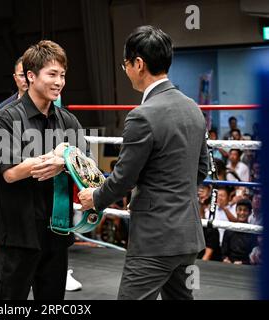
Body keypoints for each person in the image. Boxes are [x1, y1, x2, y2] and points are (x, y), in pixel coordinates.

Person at [78, 25, 208, 300]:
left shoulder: (142, 115)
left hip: (155, 238)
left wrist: (95, 197)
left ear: (138, 64)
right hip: (186, 233)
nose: (124, 70)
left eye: (125, 64)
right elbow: (202, 169)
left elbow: (125, 177)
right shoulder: (193, 108)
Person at [0, 40, 86, 300]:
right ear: (31, 76)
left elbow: (85, 163)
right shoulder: (5, 117)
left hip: (57, 228)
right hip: (19, 229)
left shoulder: (68, 119)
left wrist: (65, 160)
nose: (59, 82)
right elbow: (9, 173)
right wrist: (58, 156)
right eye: (52, 74)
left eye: (63, 75)